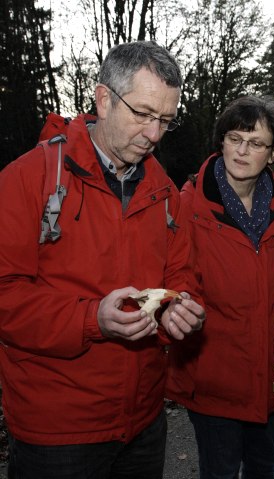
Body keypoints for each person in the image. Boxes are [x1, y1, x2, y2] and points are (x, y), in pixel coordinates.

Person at [0, 41, 206, 479]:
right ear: (104, 99)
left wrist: (177, 310)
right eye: (144, 114)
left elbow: (180, 276)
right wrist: (93, 319)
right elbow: (5, 296)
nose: (154, 134)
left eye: (166, 120)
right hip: (57, 433)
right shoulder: (27, 179)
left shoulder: (166, 193)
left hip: (144, 423)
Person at [165, 95, 274, 478]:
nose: (241, 151)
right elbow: (177, 283)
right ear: (221, 141)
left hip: (269, 380)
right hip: (213, 381)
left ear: (273, 154)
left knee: (263, 467)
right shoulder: (186, 206)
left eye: (255, 143)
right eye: (234, 138)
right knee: (219, 471)